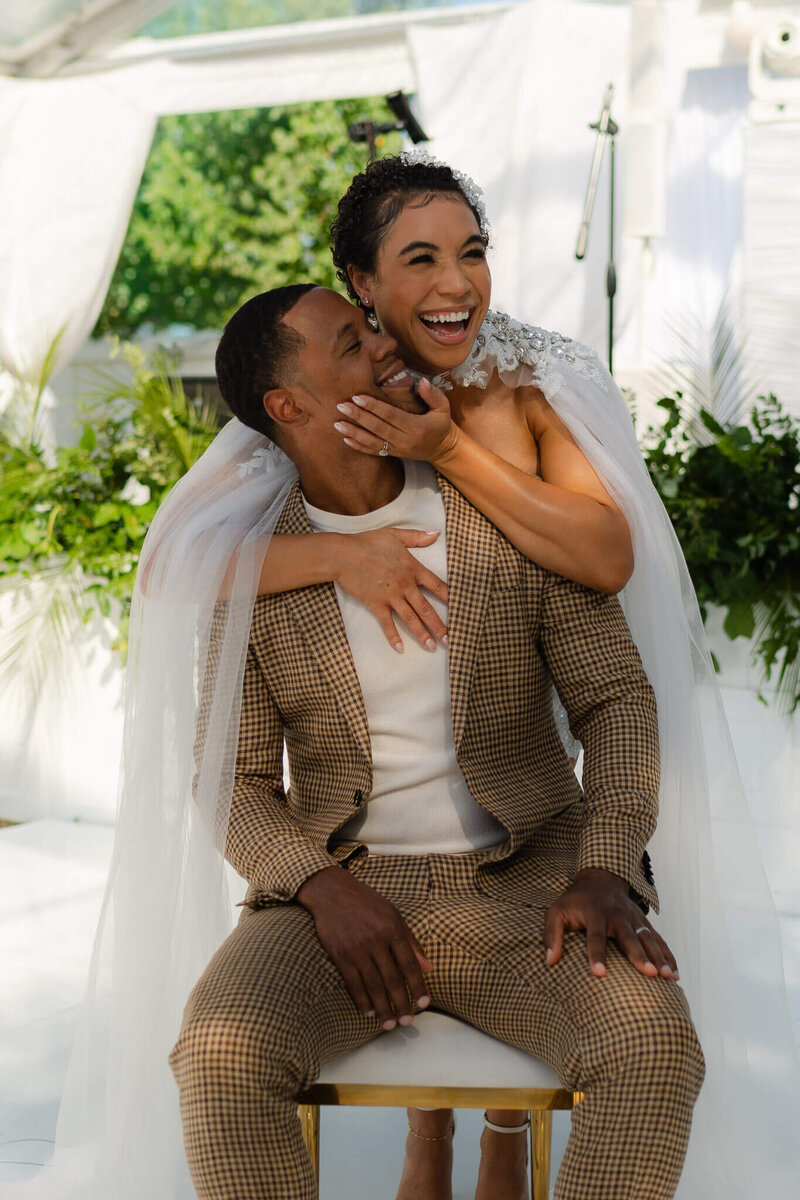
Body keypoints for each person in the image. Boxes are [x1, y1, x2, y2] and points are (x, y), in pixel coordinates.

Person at [169, 282, 703, 1200]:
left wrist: (605, 863)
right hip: (337, 903)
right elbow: (234, 779)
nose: (384, 348)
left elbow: (615, 700)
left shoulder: (498, 506)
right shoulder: (253, 561)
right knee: (218, 1056)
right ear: (288, 408)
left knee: (654, 1048)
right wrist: (320, 886)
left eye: (371, 328)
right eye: (349, 343)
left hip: (531, 889)